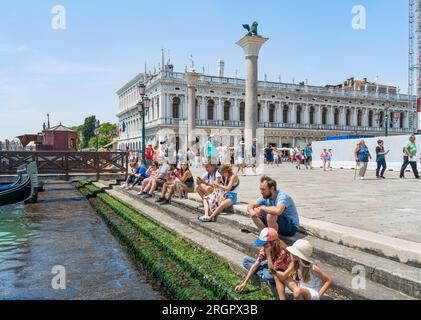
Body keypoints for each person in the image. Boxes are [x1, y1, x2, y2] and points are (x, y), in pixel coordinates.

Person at [235, 228, 291, 300]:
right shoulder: (265, 247)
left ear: (273, 242)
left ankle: (262, 272)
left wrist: (268, 254)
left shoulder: (282, 252)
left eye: (265, 244)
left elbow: (272, 271)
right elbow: (256, 263)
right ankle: (262, 271)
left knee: (269, 277)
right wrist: (244, 282)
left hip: (278, 270)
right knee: (246, 262)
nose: (263, 246)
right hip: (268, 264)